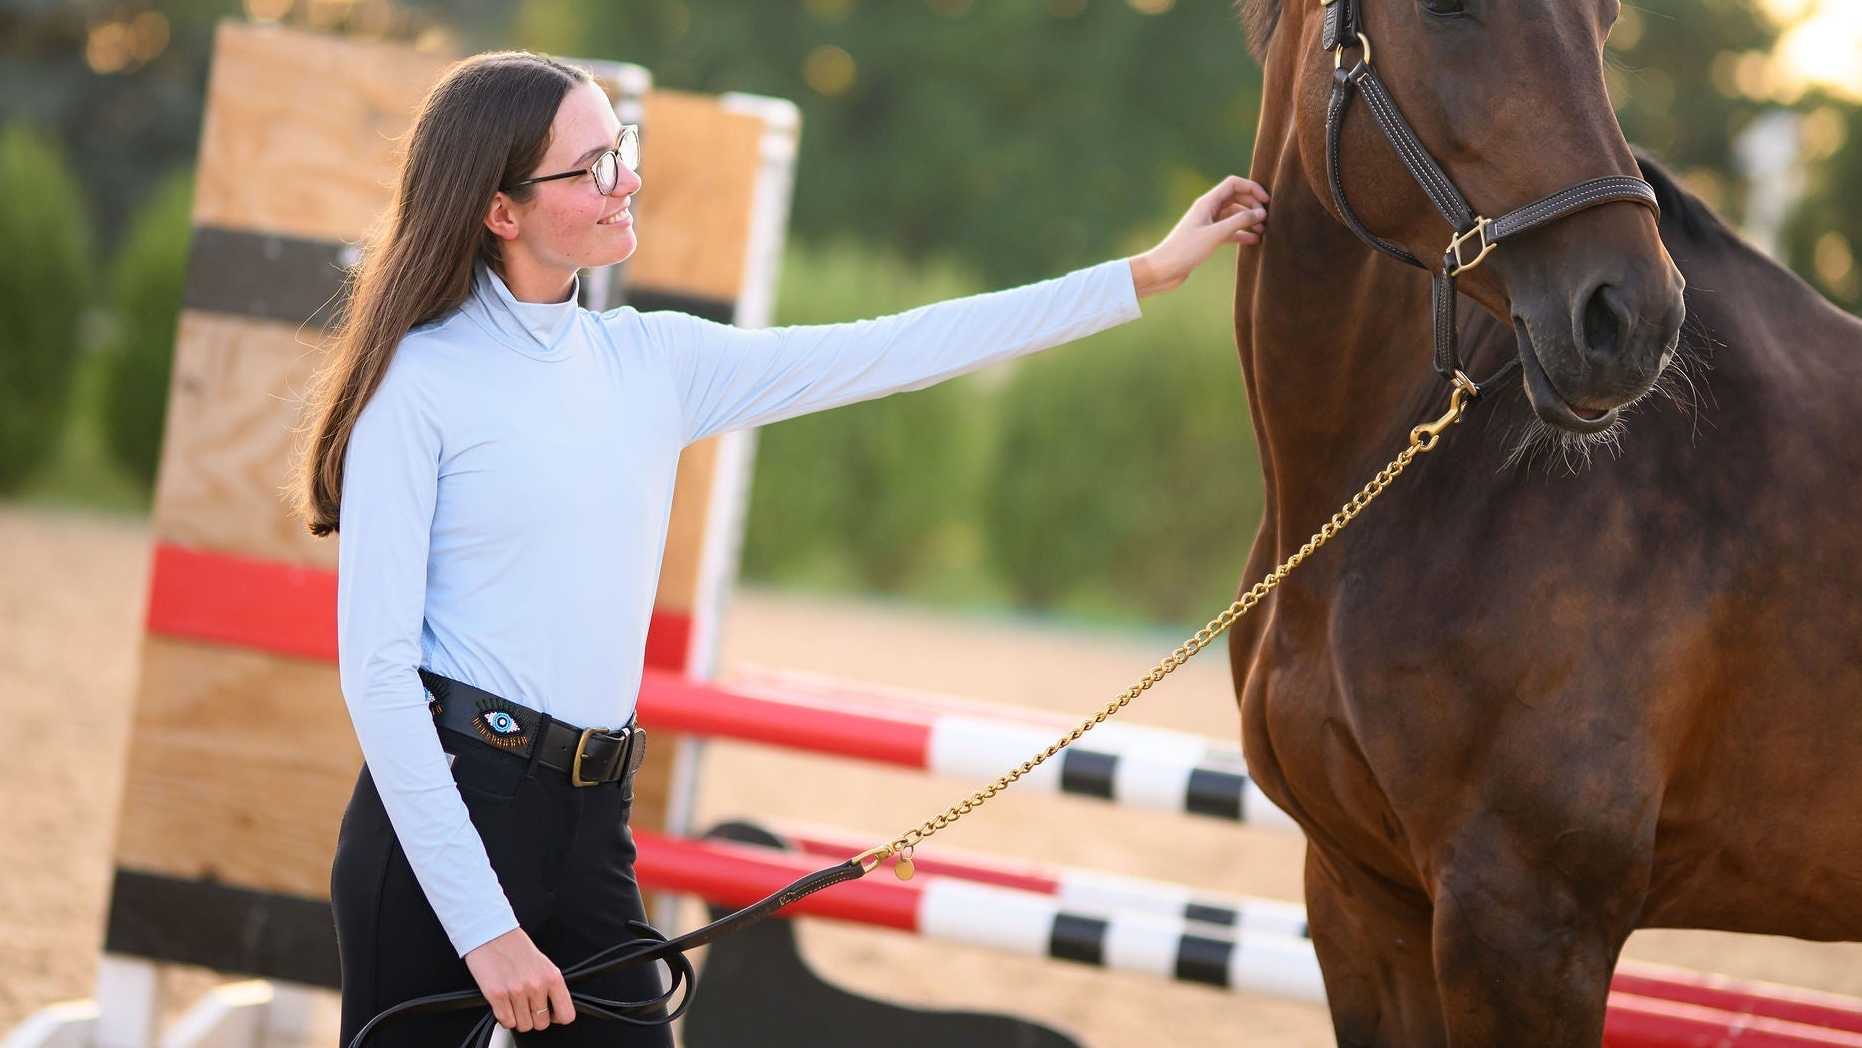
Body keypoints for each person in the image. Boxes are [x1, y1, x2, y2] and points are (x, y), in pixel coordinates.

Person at [291, 50, 1268, 1045]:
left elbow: (896, 347)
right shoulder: (418, 384)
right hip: (443, 828)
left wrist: (1143, 275)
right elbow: (376, 674)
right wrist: (484, 928)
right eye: (589, 168)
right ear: (501, 211)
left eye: (619, 150)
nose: (625, 179)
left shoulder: (650, 362)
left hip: (590, 827)